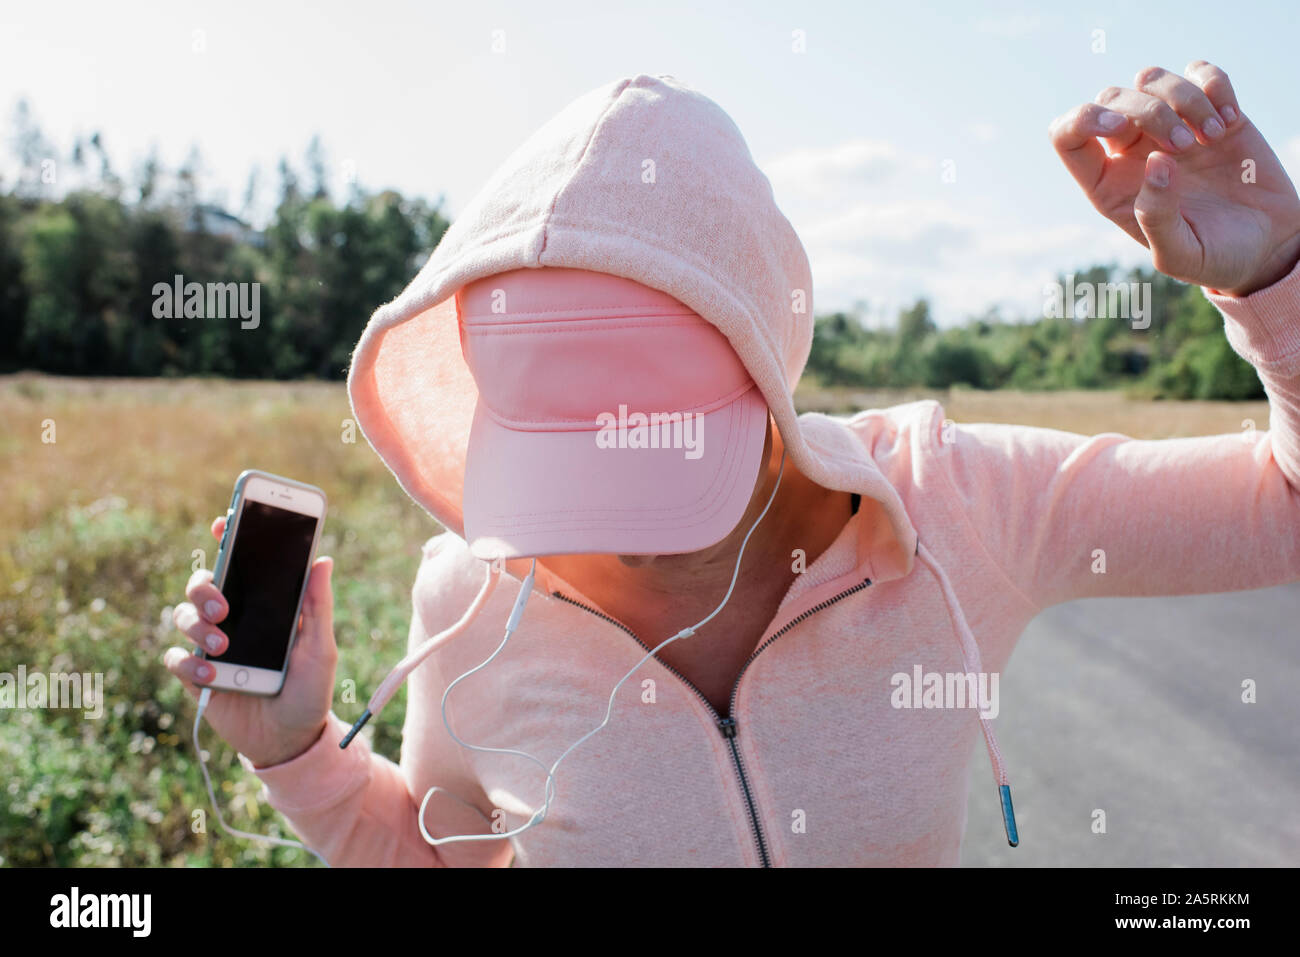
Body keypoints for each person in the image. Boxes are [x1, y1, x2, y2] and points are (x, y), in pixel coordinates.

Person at [166, 68, 1300, 866]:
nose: (615, 528)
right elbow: (443, 859)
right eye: (562, 459)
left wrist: (1275, 279)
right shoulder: (469, 596)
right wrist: (298, 755)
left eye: (659, 456)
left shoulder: (955, 502)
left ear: (766, 368)